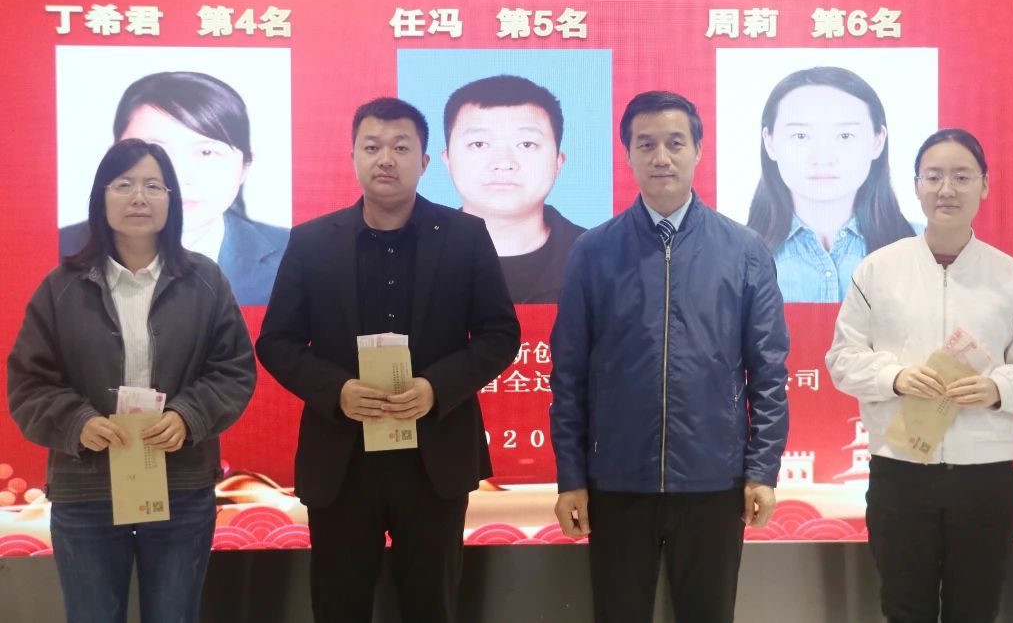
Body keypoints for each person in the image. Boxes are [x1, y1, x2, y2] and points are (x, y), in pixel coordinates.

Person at [255, 97, 520, 623]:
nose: (386, 159)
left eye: (401, 148)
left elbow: (500, 333)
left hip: (434, 457)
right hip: (343, 459)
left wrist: (436, 387)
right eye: (372, 147)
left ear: (425, 161)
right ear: (353, 156)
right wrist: (337, 392)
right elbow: (277, 342)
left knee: (431, 605)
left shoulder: (465, 236)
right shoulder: (312, 242)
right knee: (339, 605)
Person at [550, 90, 790, 623]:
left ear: (698, 150)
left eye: (675, 143)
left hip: (714, 482)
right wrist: (571, 476)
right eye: (647, 144)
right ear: (628, 154)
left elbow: (769, 372)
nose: (662, 157)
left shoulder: (744, 250)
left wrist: (762, 471)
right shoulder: (593, 251)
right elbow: (568, 375)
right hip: (617, 482)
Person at [8, 138, 256, 623]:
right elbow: (28, 383)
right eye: (123, 185)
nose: (139, 197)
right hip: (86, 490)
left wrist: (189, 416)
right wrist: (77, 422)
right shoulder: (61, 287)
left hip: (180, 486)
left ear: (171, 200)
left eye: (153, 186)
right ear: (101, 198)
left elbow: (234, 369)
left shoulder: (205, 281)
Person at [825, 128, 1013, 623]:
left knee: (974, 611)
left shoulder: (1009, 276)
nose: (946, 189)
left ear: (985, 185)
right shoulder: (878, 270)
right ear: (916, 186)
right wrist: (894, 377)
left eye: (961, 177)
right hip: (901, 474)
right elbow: (842, 360)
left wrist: (997, 389)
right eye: (933, 177)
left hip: (985, 478)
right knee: (904, 610)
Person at [61, 70, 289, 305]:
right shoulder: (59, 246)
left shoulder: (292, 254)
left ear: (245, 167)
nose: (178, 177)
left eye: (206, 152)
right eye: (153, 150)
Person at [747, 66, 916, 302]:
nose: (823, 158)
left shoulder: (923, 245)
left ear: (878, 141)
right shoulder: (735, 252)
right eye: (801, 136)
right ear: (770, 142)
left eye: (845, 136)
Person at [441, 75, 585, 303]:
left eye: (526, 144)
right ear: (448, 160)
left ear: (558, 162)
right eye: (479, 144)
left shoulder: (603, 258)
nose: (503, 163)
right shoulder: (408, 259)